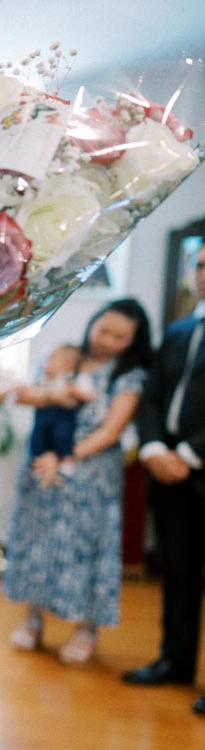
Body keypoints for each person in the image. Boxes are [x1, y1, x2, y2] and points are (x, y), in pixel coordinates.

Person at [2, 300, 152, 664]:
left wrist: (66, 455)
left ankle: (86, 629)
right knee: (38, 542)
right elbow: (26, 394)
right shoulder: (66, 357)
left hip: (90, 475)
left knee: (84, 549)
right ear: (92, 323)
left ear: (133, 341)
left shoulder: (128, 376)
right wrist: (55, 394)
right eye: (103, 330)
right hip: (42, 466)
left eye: (119, 337)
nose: (107, 340)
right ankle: (33, 618)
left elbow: (112, 430)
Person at [123, 249, 205, 715]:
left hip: (197, 461)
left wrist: (190, 453)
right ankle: (174, 660)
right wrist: (154, 449)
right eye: (200, 266)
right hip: (166, 466)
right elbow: (152, 396)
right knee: (177, 569)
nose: (204, 275)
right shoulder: (177, 331)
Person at [23, 343, 96, 482]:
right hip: (42, 417)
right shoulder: (44, 378)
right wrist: (51, 396)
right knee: (37, 438)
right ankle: (37, 465)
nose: (46, 364)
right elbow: (25, 394)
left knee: (63, 437)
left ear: (68, 364)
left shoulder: (76, 379)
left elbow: (89, 395)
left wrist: (72, 390)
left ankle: (66, 461)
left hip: (63, 417)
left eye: (51, 361)